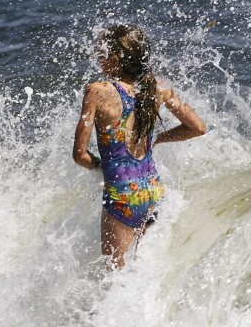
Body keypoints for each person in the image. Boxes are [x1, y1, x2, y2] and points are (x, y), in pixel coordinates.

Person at [72, 25, 206, 269]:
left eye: (101, 54)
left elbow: (80, 155)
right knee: (143, 275)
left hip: (122, 196)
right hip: (153, 191)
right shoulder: (159, 88)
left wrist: (103, 168)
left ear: (114, 60)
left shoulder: (97, 92)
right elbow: (197, 128)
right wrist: (159, 139)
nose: (98, 59)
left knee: (116, 281)